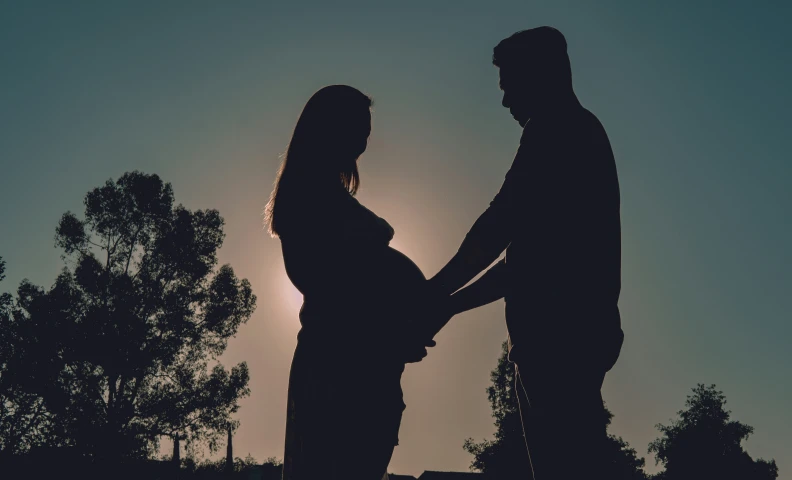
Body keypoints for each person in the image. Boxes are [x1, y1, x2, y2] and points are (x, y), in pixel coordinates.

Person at [429, 27, 625, 479]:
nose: (504, 102)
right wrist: (448, 302)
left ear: (541, 76)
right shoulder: (578, 132)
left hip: (560, 343)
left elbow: (502, 223)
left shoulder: (556, 130)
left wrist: (435, 294)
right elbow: (525, 260)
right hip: (566, 343)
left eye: (509, 85)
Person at [266, 85, 436, 480]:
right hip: (341, 371)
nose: (363, 143)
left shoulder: (329, 197)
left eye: (367, 133)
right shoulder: (308, 200)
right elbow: (326, 283)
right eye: (358, 130)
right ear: (329, 131)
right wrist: (389, 329)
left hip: (365, 366)